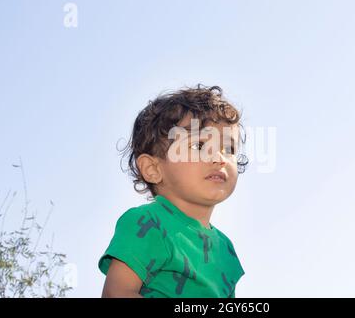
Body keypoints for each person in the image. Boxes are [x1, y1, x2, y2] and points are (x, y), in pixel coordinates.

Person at [98, 84, 249, 298]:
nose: (219, 158)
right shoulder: (147, 222)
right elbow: (116, 294)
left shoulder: (226, 249)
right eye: (199, 146)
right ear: (153, 169)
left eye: (229, 149)